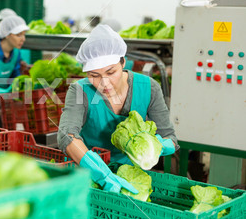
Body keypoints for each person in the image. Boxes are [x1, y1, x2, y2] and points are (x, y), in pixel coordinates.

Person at [57, 25, 178, 194]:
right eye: (94, 75)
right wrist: (101, 173)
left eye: (110, 72)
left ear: (123, 62)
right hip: (88, 174)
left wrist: (159, 145)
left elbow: (170, 137)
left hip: (130, 177)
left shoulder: (149, 87)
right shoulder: (79, 90)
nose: (104, 83)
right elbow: (66, 135)